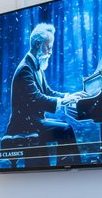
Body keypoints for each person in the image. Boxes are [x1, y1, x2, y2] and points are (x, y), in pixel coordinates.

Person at [5, 23, 80, 163]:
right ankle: (68, 168)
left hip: (33, 122)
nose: (50, 52)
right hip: (24, 125)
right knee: (66, 129)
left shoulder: (35, 66)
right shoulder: (25, 69)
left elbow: (47, 91)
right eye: (48, 47)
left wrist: (68, 96)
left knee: (65, 126)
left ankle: (66, 166)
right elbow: (36, 98)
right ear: (38, 44)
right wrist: (63, 102)